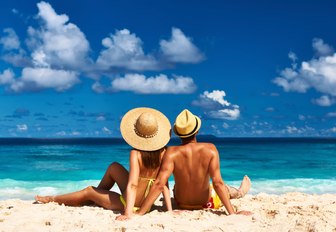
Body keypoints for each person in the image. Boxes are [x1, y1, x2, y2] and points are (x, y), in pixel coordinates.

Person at [35, 107, 173, 220]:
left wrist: (128, 213)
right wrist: (168, 209)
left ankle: (53, 198)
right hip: (145, 203)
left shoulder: (135, 154)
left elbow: (133, 185)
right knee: (114, 167)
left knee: (88, 190)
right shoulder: (164, 153)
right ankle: (95, 198)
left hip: (128, 203)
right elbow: (163, 184)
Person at [137, 109, 251, 215]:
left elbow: (159, 183)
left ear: (178, 133)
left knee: (178, 185)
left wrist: (140, 212)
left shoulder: (171, 152)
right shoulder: (211, 149)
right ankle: (239, 193)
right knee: (224, 187)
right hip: (206, 203)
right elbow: (217, 183)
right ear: (196, 131)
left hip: (180, 204)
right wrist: (232, 213)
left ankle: (238, 192)